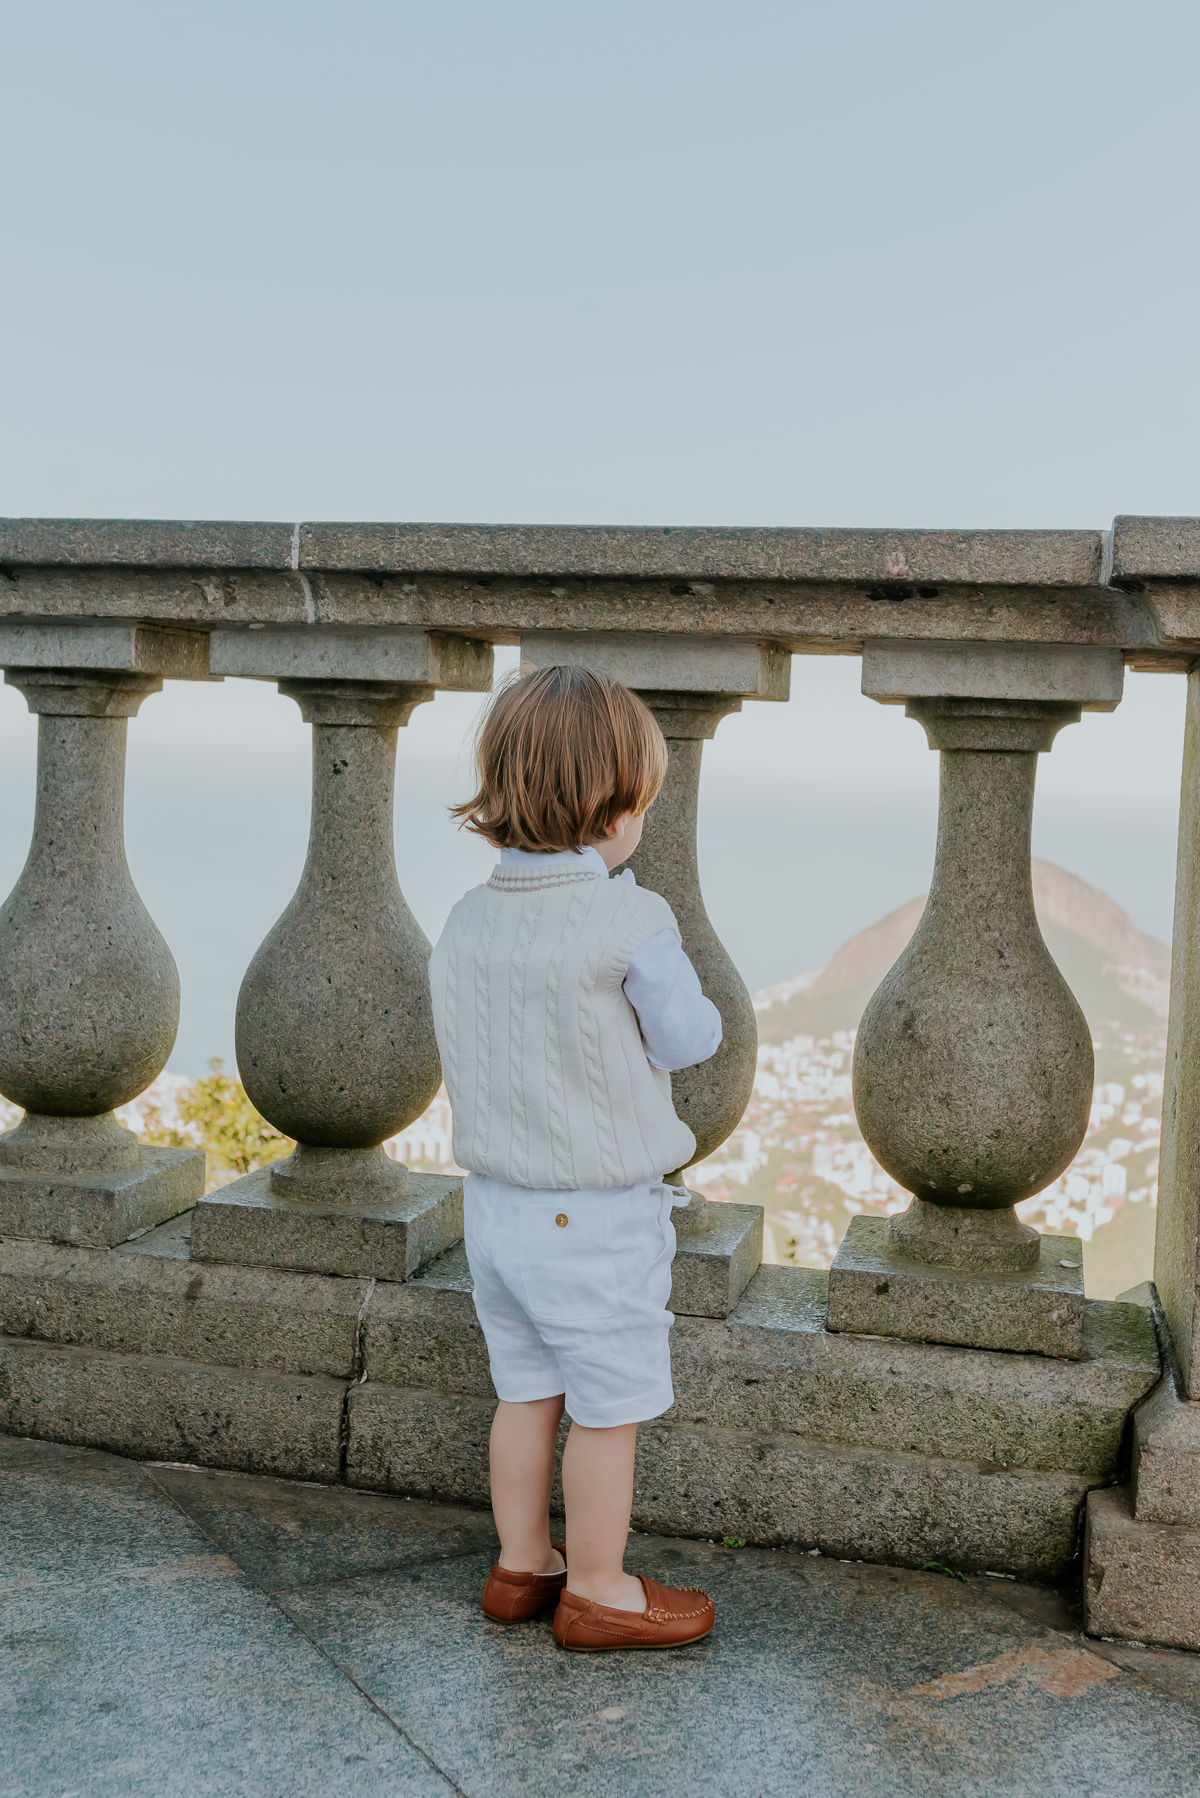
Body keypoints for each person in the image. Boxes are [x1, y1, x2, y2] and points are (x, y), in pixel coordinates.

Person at [429, 664, 723, 1652]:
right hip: (591, 1220)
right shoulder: (628, 918)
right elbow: (685, 1039)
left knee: (525, 1393)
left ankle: (523, 1564)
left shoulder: (467, 918)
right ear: (614, 812)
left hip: (495, 1211)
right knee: (606, 1408)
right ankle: (598, 1586)